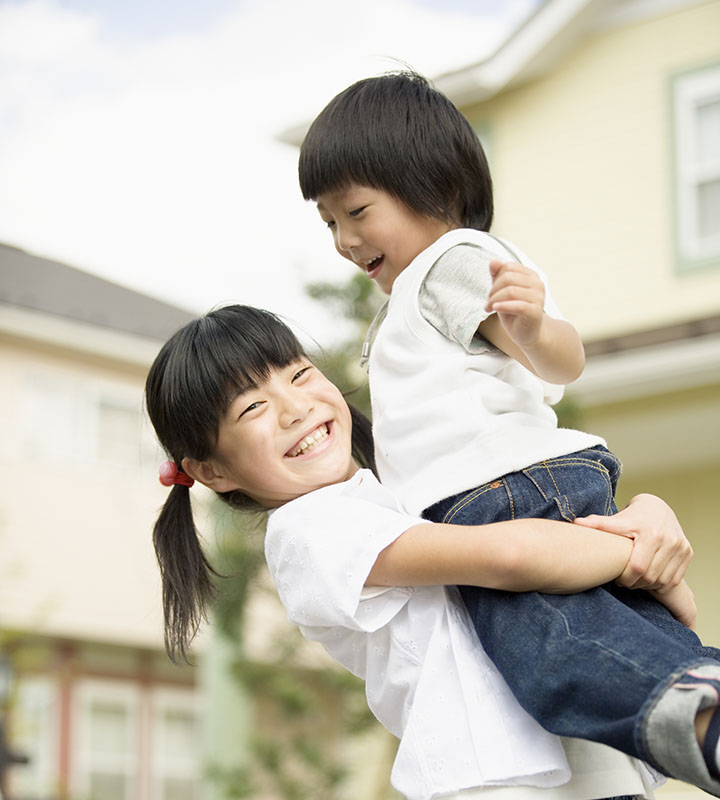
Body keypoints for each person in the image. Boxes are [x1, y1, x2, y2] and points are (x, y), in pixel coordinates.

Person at [297, 70, 720, 790]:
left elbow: (564, 360)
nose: (343, 239)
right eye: (329, 222)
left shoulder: (447, 263)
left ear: (430, 184)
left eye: (356, 211)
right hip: (506, 486)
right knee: (583, 632)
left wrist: (533, 327)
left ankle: (695, 717)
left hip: (500, 488)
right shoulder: (415, 292)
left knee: (552, 649)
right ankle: (687, 669)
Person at [146, 304, 720, 799]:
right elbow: (512, 558)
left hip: (588, 760)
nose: (294, 407)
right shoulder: (309, 531)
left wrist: (648, 514)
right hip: (493, 781)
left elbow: (639, 593)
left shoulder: (407, 493)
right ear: (211, 469)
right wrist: (634, 548)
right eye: (252, 408)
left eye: (299, 374)